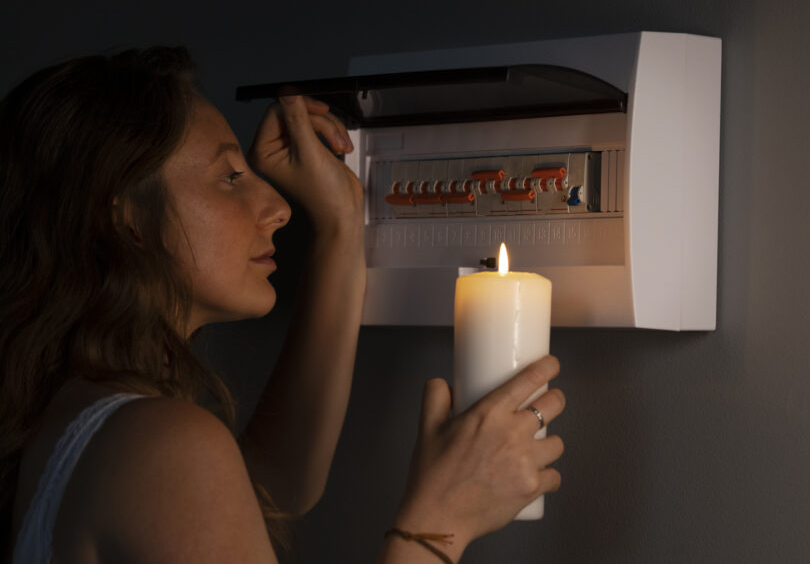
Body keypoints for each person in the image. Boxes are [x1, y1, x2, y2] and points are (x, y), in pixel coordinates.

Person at [0, 47, 566, 563]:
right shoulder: (160, 442)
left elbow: (271, 488)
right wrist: (440, 521)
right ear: (126, 220)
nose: (277, 205)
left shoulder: (77, 416)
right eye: (229, 175)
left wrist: (341, 228)